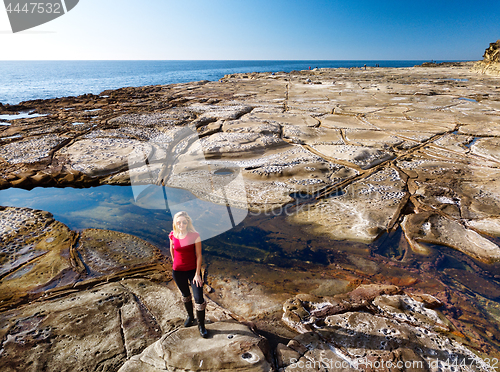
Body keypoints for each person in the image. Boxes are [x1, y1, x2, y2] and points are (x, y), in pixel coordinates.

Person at [169, 211, 208, 338]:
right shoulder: (172, 235)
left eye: (184, 222)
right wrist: (175, 263)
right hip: (178, 272)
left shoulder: (194, 235)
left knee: (199, 299)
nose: (181, 224)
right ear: (175, 223)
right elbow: (172, 250)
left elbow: (199, 255)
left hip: (193, 272)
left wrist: (197, 274)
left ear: (188, 222)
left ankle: (201, 325)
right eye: (179, 222)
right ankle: (190, 317)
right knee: (185, 295)